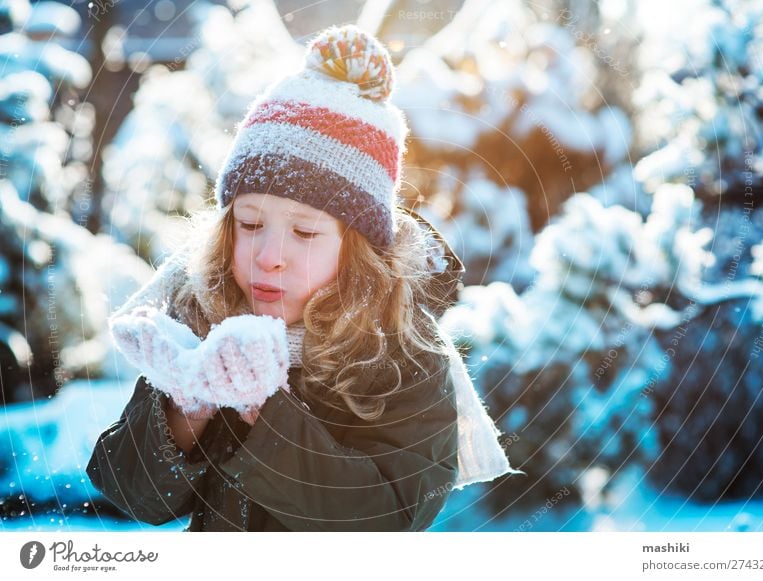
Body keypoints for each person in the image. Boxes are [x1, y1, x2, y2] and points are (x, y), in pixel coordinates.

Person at [86, 24, 519, 532]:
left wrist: (261, 409)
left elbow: (385, 518)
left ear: (358, 248)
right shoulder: (208, 322)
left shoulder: (401, 357)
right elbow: (132, 494)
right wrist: (186, 404)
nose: (269, 256)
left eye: (305, 233)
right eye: (249, 225)